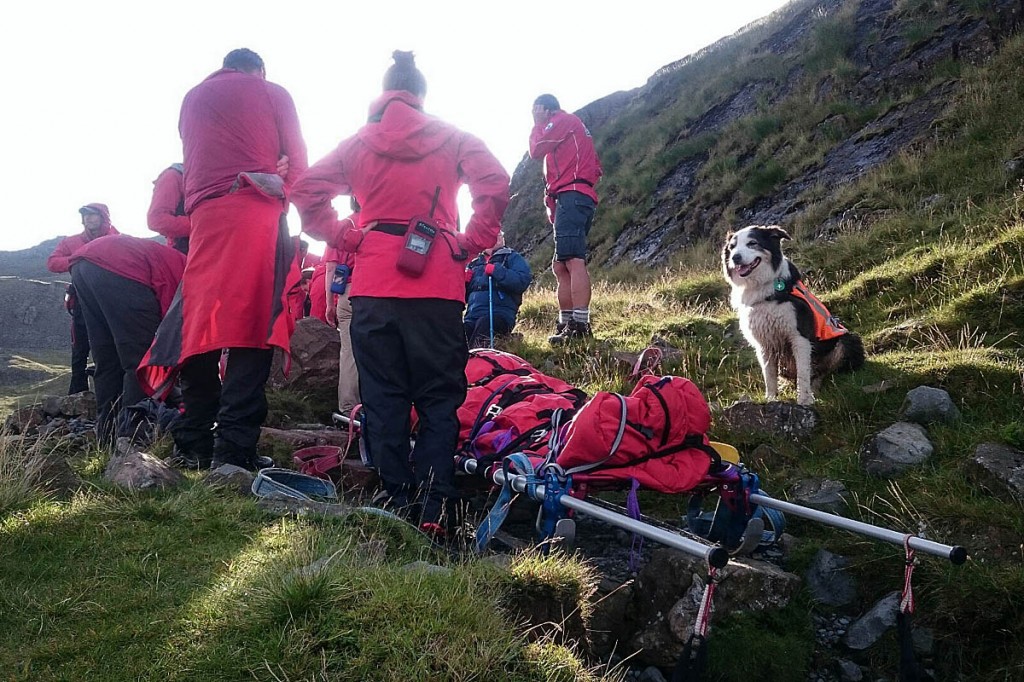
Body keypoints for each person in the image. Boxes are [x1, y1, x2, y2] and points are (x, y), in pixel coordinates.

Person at [291, 50, 509, 534]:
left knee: (384, 397)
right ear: (421, 96)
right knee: (437, 398)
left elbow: (306, 191)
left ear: (385, 93)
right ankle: (436, 505)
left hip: (373, 286)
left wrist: (348, 236)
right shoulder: (452, 137)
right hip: (437, 286)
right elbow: (493, 184)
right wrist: (469, 242)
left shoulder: (359, 143)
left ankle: (396, 498)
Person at [138, 47, 308, 471]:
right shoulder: (272, 92)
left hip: (204, 225)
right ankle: (233, 452)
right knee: (254, 328)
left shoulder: (192, 98)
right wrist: (282, 175)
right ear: (259, 70)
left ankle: (192, 441)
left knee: (200, 327)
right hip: (256, 219)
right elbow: (300, 170)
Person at [69, 235, 186, 444]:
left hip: (83, 265)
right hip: (120, 265)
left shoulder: (176, 259)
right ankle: (132, 440)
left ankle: (107, 438)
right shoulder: (193, 273)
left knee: (108, 360)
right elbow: (169, 325)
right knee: (141, 361)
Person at [528, 94, 603, 345]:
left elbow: (536, 150)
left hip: (571, 195)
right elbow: (596, 168)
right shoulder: (575, 127)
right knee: (561, 265)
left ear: (545, 109)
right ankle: (568, 321)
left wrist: (538, 123)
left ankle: (580, 325)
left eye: (536, 110)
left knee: (572, 260)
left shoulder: (559, 121)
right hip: (576, 196)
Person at [47, 203, 120, 394]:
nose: (88, 218)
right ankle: (76, 396)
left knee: (109, 345)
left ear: (104, 217)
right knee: (80, 346)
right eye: (85, 215)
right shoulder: (72, 242)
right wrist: (79, 259)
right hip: (82, 300)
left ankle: (112, 394)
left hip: (112, 301)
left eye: (93, 215)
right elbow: (52, 263)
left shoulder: (117, 240)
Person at [463, 232, 533, 348]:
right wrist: (464, 283)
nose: (499, 237)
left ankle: (476, 361)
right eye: (494, 235)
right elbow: (464, 298)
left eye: (500, 234)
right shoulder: (474, 264)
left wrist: (497, 271)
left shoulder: (511, 257)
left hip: (500, 315)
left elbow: (522, 280)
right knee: (461, 332)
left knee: (485, 324)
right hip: (472, 316)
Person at [147, 163, 190, 254]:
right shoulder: (174, 176)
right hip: (186, 255)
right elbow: (157, 219)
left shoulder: (220, 177)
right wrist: (202, 225)